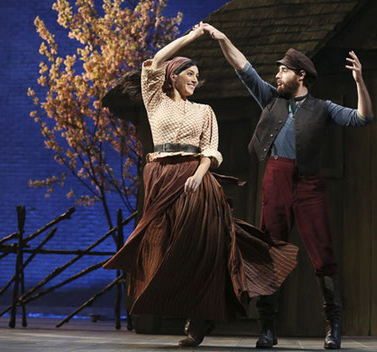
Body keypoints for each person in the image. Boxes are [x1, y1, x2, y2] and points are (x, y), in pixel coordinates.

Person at [102, 23, 298, 348]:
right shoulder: (155, 100)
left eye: (197, 77)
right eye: (189, 74)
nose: (194, 80)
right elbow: (153, 62)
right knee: (160, 244)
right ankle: (168, 301)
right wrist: (191, 38)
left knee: (202, 245)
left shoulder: (205, 111)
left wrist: (198, 173)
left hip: (196, 180)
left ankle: (199, 318)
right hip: (161, 176)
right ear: (173, 75)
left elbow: (211, 149)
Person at [203, 23, 374, 350]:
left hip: (309, 184)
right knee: (269, 252)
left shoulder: (323, 108)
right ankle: (267, 328)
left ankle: (333, 326)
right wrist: (224, 38)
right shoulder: (271, 98)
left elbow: (363, 118)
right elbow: (243, 69)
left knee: (322, 253)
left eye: (283, 70)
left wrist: (360, 82)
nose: (277, 75)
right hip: (276, 178)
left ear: (301, 76)